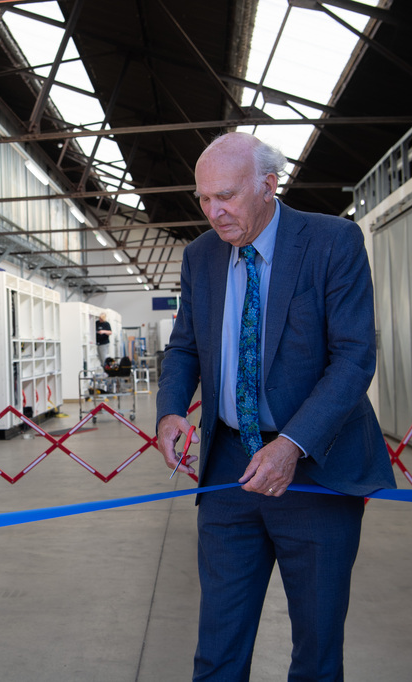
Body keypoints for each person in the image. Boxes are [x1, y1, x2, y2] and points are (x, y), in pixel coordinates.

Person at [155, 132, 395, 681]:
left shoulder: (332, 242)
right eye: (204, 199)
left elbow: (354, 358)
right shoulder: (200, 256)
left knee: (316, 649)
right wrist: (171, 410)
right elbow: (185, 347)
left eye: (227, 196)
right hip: (227, 471)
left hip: (315, 469)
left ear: (268, 185)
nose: (214, 212)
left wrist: (291, 444)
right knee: (217, 646)